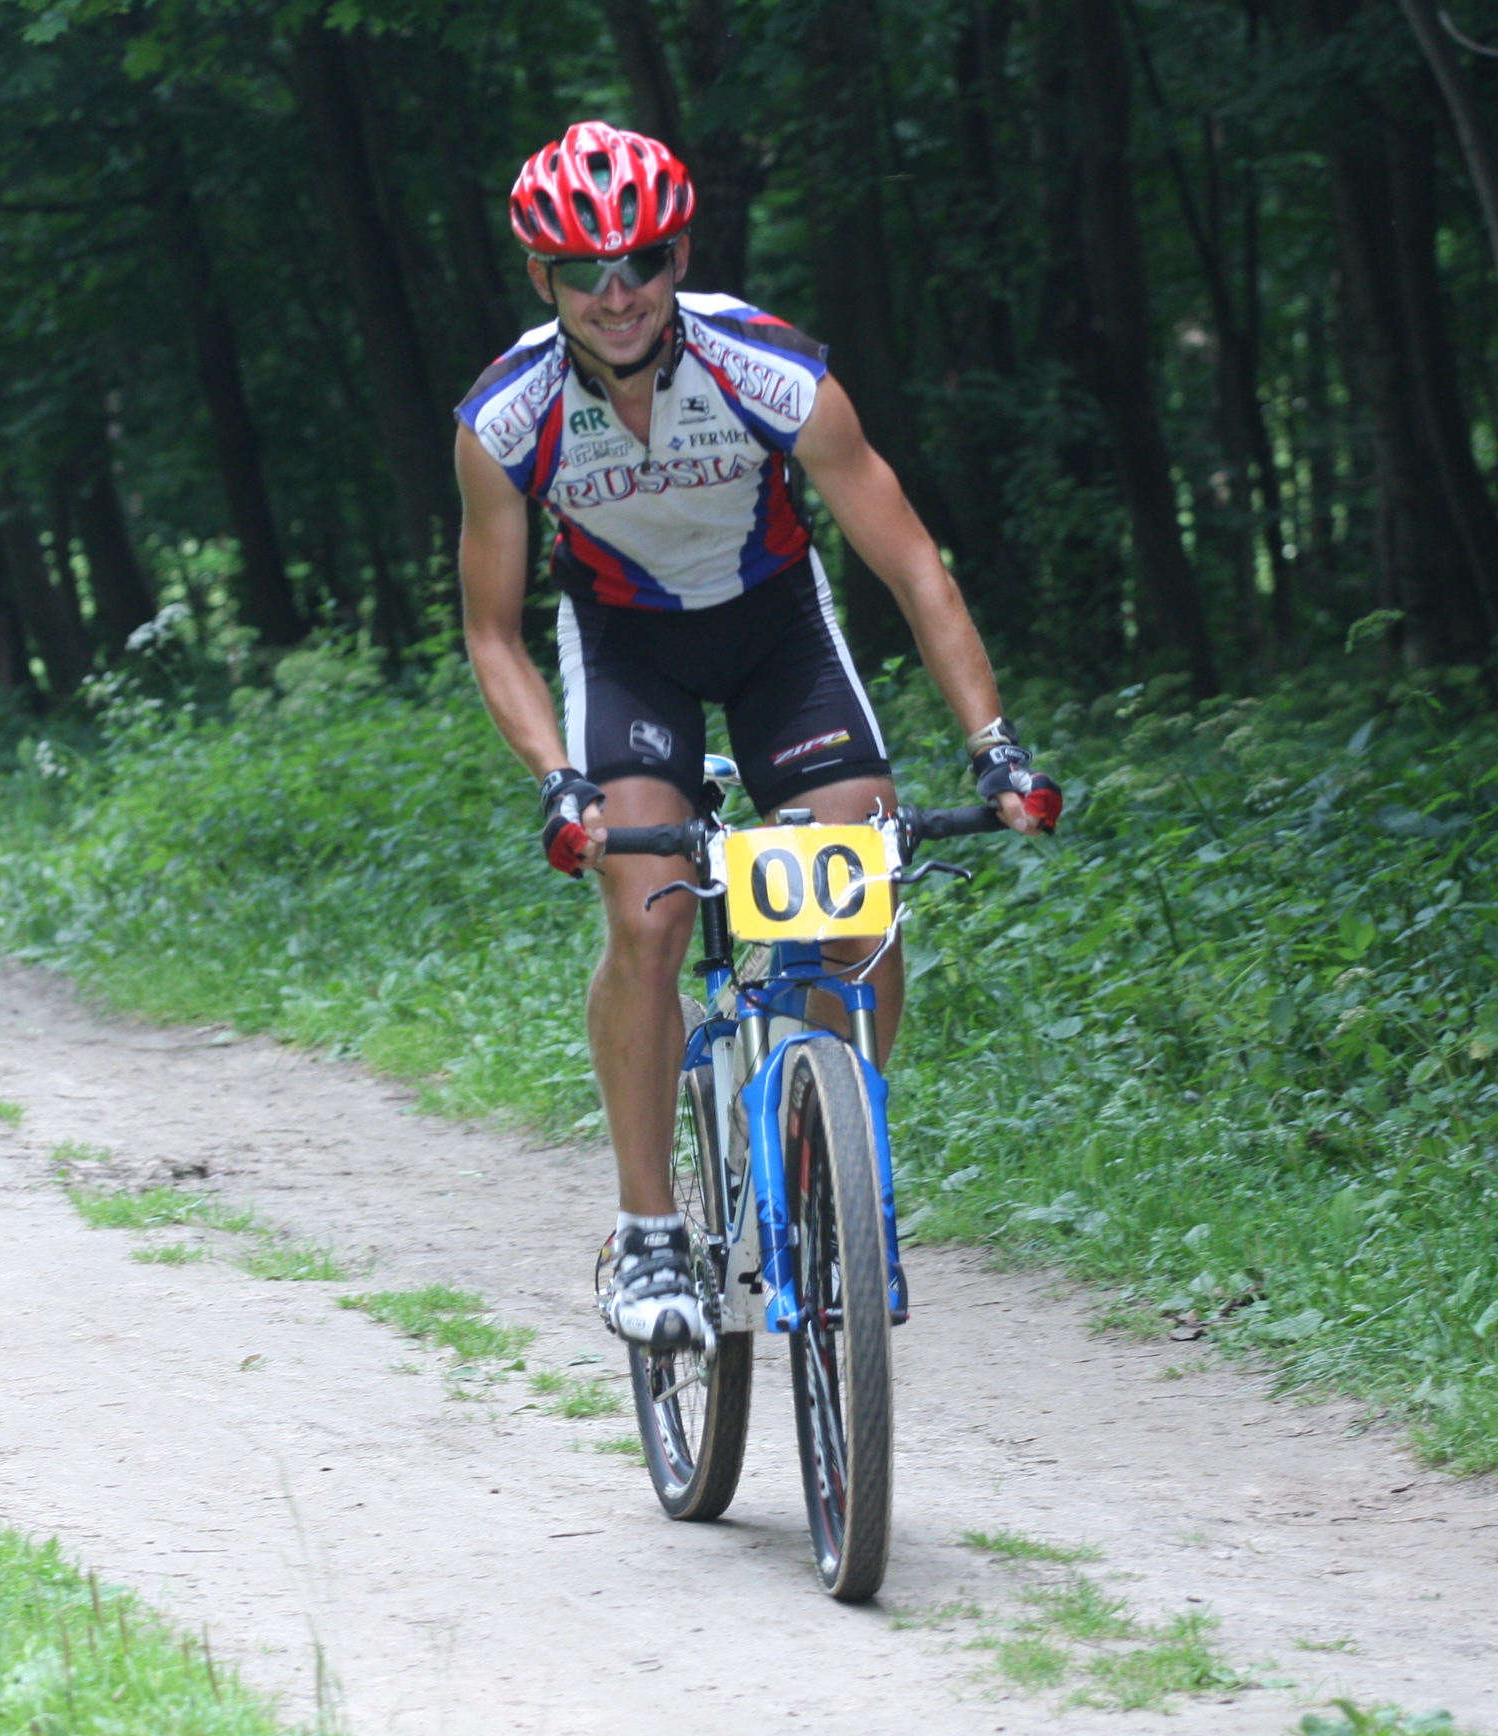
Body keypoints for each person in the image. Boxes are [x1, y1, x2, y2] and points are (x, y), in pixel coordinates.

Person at [454, 122, 1062, 1348]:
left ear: (678, 258)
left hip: (775, 628)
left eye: (640, 261)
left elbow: (912, 563)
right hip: (626, 648)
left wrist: (992, 744)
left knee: (859, 886)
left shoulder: (764, 368)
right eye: (584, 271)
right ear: (540, 278)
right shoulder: (505, 418)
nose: (616, 293)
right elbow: (491, 633)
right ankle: (648, 1230)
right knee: (649, 915)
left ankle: (828, 1153)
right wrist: (559, 782)